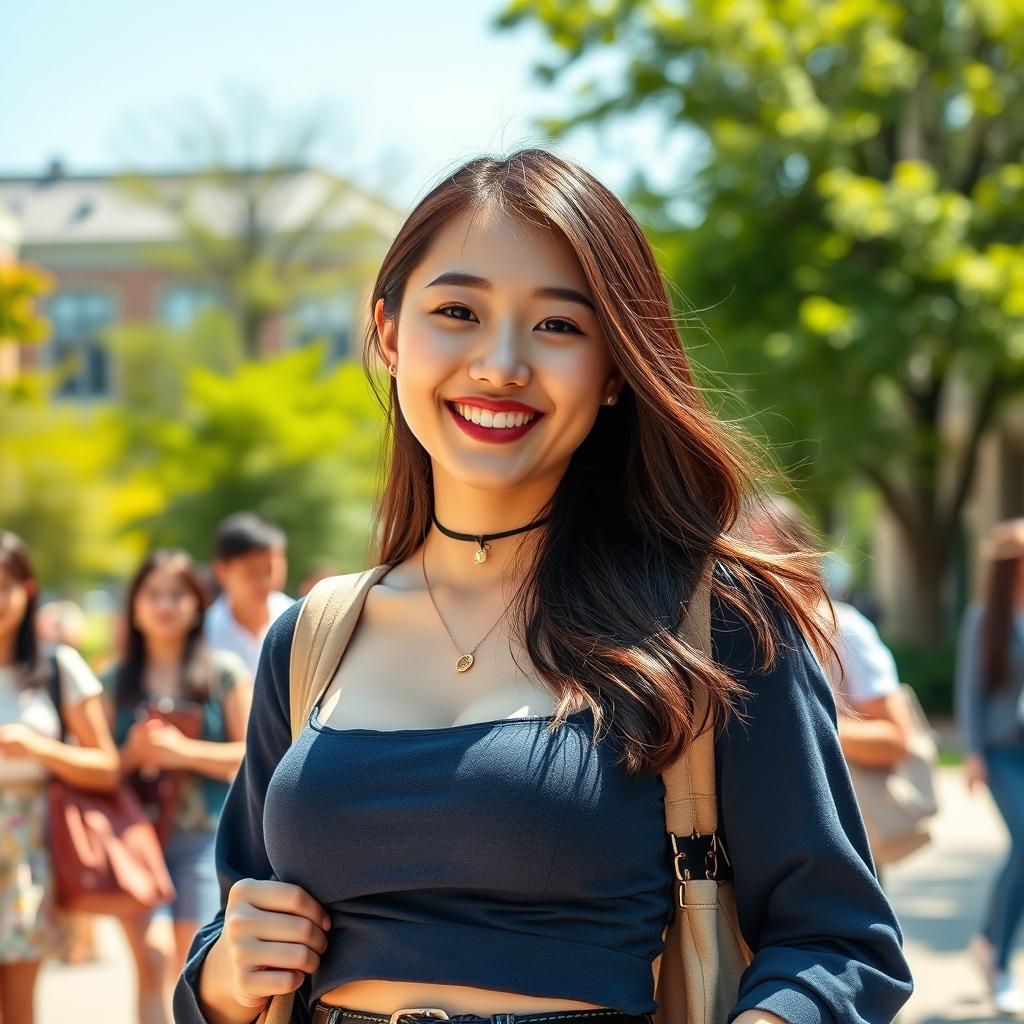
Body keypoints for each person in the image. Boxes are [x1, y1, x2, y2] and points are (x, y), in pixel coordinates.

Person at [175, 148, 913, 1024]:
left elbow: (839, 942)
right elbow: (230, 940)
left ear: (612, 372)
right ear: (386, 331)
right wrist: (225, 972)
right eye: (457, 311)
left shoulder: (714, 621)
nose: (500, 364)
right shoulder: (312, 637)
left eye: (558, 326)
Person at [104, 549, 252, 1024]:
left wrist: (180, 752)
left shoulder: (223, 672)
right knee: (149, 961)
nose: (165, 605)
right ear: (134, 606)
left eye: (177, 594)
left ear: (197, 604)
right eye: (153, 594)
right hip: (133, 840)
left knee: (191, 963)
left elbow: (253, 753)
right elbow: (100, 767)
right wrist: (134, 753)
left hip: (202, 837)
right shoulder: (112, 681)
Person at [0, 530, 119, 1024]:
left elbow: (107, 768)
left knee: (19, 1010)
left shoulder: (56, 666)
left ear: (28, 589)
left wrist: (39, 749)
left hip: (28, 844)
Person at [956, 517, 1024, 1015]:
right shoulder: (985, 617)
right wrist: (974, 753)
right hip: (1001, 749)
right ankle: (997, 959)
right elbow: (971, 691)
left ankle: (987, 943)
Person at [204, 514, 294, 677]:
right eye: (252, 573)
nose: (264, 582)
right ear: (222, 571)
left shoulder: (300, 622)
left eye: (271, 571)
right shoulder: (205, 632)